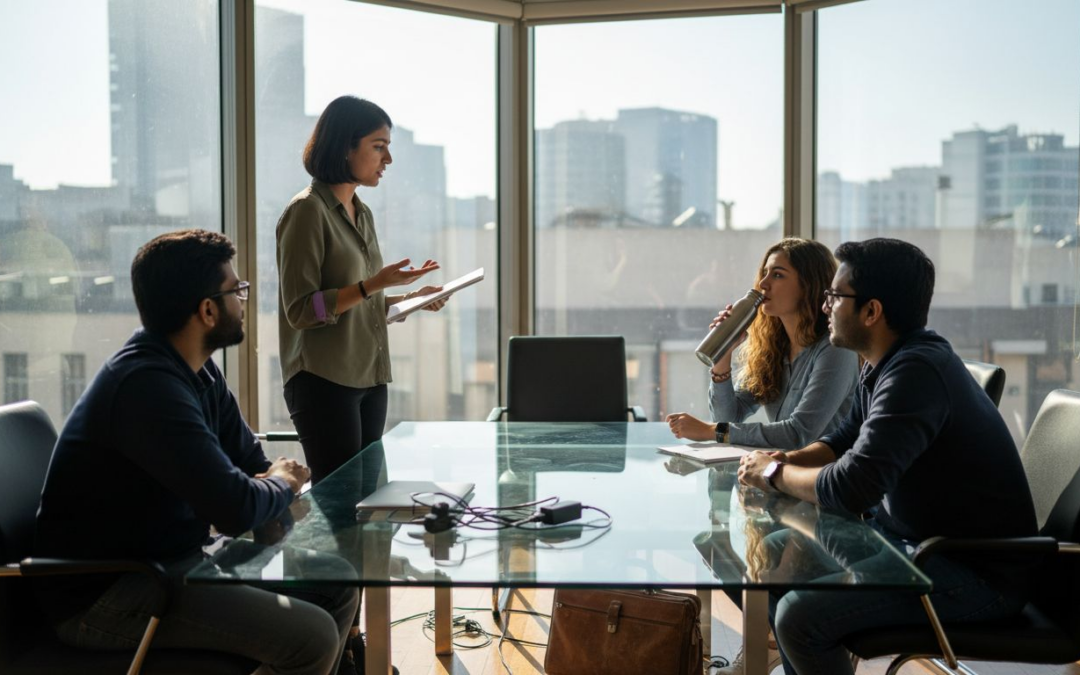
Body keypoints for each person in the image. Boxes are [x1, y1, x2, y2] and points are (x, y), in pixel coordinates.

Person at [34, 229, 359, 675]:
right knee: (313, 638)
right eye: (237, 290)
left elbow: (249, 463)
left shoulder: (198, 371)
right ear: (208, 310)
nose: (243, 300)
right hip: (111, 593)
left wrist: (269, 497)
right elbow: (235, 505)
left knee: (337, 582)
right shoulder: (145, 387)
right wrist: (281, 485)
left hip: (178, 563)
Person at [738, 238, 1038, 675]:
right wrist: (790, 457)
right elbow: (844, 438)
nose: (826, 307)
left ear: (871, 311)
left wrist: (777, 473)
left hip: (968, 574)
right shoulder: (885, 361)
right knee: (777, 556)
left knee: (799, 617)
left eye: (835, 297)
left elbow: (852, 486)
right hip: (908, 546)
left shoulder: (915, 373)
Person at [277, 95, 446, 484]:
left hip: (369, 378)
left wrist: (411, 299)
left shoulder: (361, 212)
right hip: (324, 382)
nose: (388, 160)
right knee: (342, 505)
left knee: (371, 497)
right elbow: (301, 310)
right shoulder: (306, 212)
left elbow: (362, 302)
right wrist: (373, 284)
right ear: (345, 146)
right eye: (379, 147)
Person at [667, 237, 859, 450]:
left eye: (777, 275)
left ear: (808, 285)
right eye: (764, 273)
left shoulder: (836, 349)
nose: (763, 284)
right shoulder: (774, 349)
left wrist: (711, 431)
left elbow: (798, 433)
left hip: (822, 477)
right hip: (782, 469)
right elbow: (730, 417)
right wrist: (723, 355)